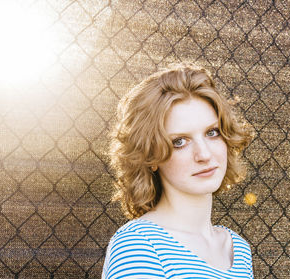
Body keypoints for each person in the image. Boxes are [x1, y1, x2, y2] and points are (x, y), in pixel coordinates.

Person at [102, 63, 254, 278]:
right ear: (150, 157)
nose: (204, 154)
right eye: (179, 141)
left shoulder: (237, 248)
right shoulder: (138, 245)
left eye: (212, 132)